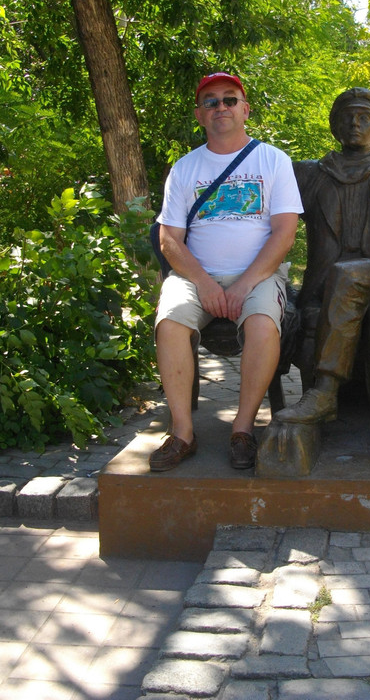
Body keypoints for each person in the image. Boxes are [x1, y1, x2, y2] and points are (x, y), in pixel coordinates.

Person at [150, 72, 302, 472]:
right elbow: (169, 240)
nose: (221, 107)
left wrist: (244, 284)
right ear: (200, 115)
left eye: (230, 99)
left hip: (259, 274)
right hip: (194, 276)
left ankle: (243, 428)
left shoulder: (273, 160)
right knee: (170, 323)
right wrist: (203, 282)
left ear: (245, 109)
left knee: (263, 325)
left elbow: (285, 233)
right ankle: (182, 432)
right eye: (211, 101)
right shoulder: (184, 169)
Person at [272, 88, 370, 453]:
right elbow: (272, 221)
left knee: (350, 275)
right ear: (335, 126)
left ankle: (328, 393)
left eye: (365, 117)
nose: (355, 123)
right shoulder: (309, 174)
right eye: (347, 116)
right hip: (330, 287)